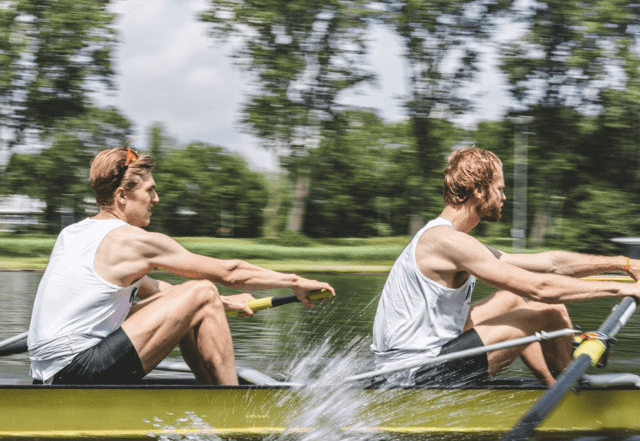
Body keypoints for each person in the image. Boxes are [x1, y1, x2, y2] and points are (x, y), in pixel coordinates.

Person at [28, 144, 335, 385]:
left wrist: (221, 301)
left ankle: (212, 396)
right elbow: (229, 272)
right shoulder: (133, 241)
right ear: (122, 196)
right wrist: (294, 282)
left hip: (49, 373)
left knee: (200, 298)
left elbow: (159, 291)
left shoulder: (73, 233)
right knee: (201, 290)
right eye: (150, 191)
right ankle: (230, 409)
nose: (156, 199)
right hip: (79, 372)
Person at [372, 146, 640, 388]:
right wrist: (620, 289)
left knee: (511, 298)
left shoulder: (449, 238)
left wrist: (622, 264)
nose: (504, 197)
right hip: (414, 375)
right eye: (500, 189)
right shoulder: (448, 242)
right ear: (479, 190)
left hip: (411, 363)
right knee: (550, 311)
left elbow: (550, 265)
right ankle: (572, 389)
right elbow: (540, 287)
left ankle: (548, 382)